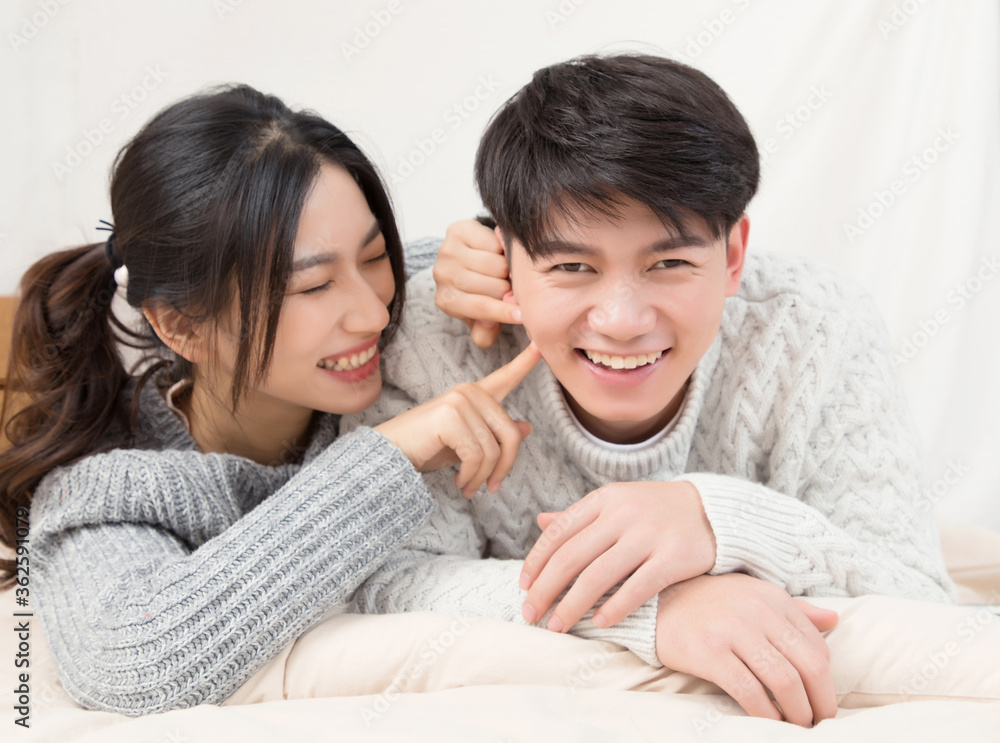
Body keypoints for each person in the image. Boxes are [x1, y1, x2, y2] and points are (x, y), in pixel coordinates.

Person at [344, 54, 956, 727]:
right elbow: (388, 579)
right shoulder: (431, 343)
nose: (624, 321)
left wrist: (717, 519)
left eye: (668, 263)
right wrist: (652, 608)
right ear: (505, 256)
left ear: (732, 255)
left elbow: (918, 599)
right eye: (573, 266)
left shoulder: (815, 326)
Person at [0, 84, 540, 716]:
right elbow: (131, 664)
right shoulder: (109, 490)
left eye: (373, 256)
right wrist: (387, 457)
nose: (372, 312)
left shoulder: (401, 313)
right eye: (312, 287)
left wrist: (487, 249)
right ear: (182, 327)